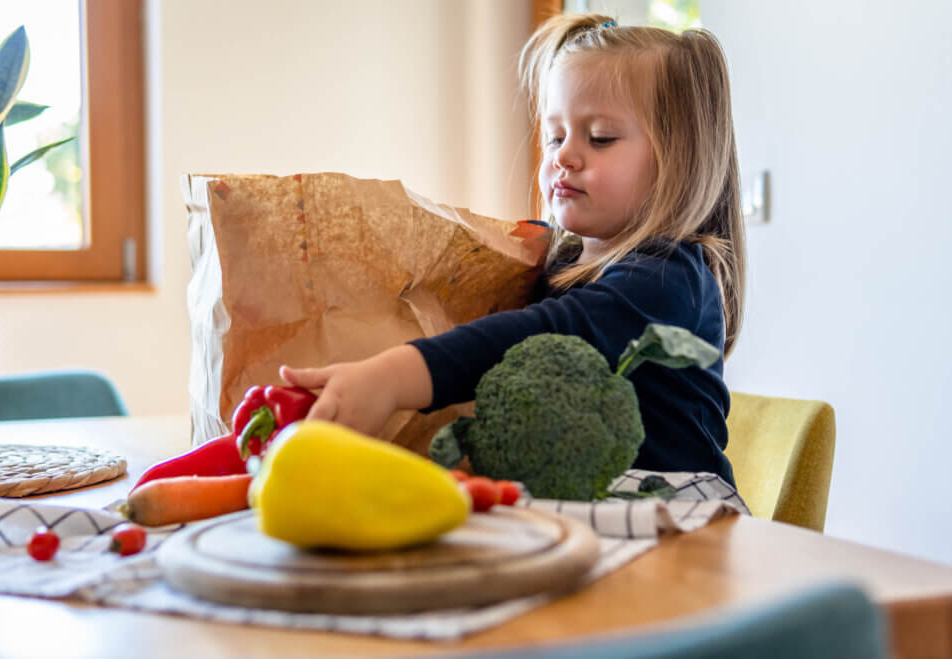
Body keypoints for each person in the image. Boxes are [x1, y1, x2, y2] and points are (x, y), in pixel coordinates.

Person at [280, 14, 746, 485]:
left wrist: (389, 378)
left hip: (680, 516)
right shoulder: (562, 263)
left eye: (600, 137)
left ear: (678, 161)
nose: (563, 156)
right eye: (554, 136)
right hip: (590, 513)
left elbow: (537, 337)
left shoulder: (668, 280)